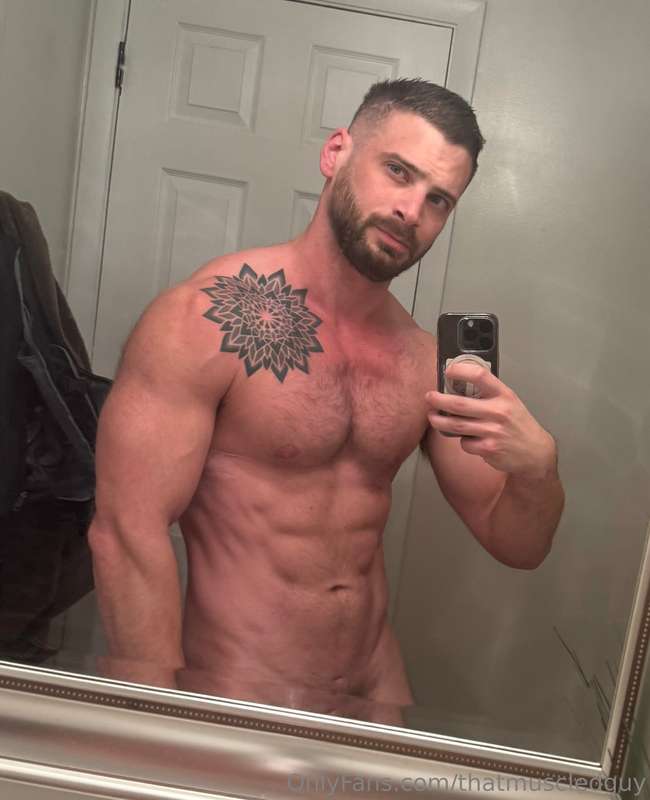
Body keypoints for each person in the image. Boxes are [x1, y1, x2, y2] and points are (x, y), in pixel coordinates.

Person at [88, 79, 564, 721]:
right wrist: (161, 720)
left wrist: (538, 468)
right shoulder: (205, 320)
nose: (411, 210)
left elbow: (518, 545)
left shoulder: (422, 360)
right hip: (236, 698)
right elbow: (125, 533)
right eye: (398, 171)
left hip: (376, 704)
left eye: (438, 199)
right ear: (336, 152)